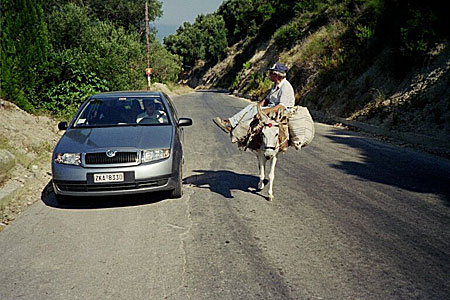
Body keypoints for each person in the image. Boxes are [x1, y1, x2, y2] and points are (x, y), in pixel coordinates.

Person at [213, 63, 295, 133]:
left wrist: (263, 111)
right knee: (252, 107)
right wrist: (259, 105)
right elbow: (267, 99)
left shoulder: (286, 87)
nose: (269, 75)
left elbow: (282, 106)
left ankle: (231, 125)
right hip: (272, 108)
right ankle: (232, 123)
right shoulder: (275, 85)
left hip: (282, 112)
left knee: (255, 110)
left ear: (277, 75)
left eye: (271, 73)